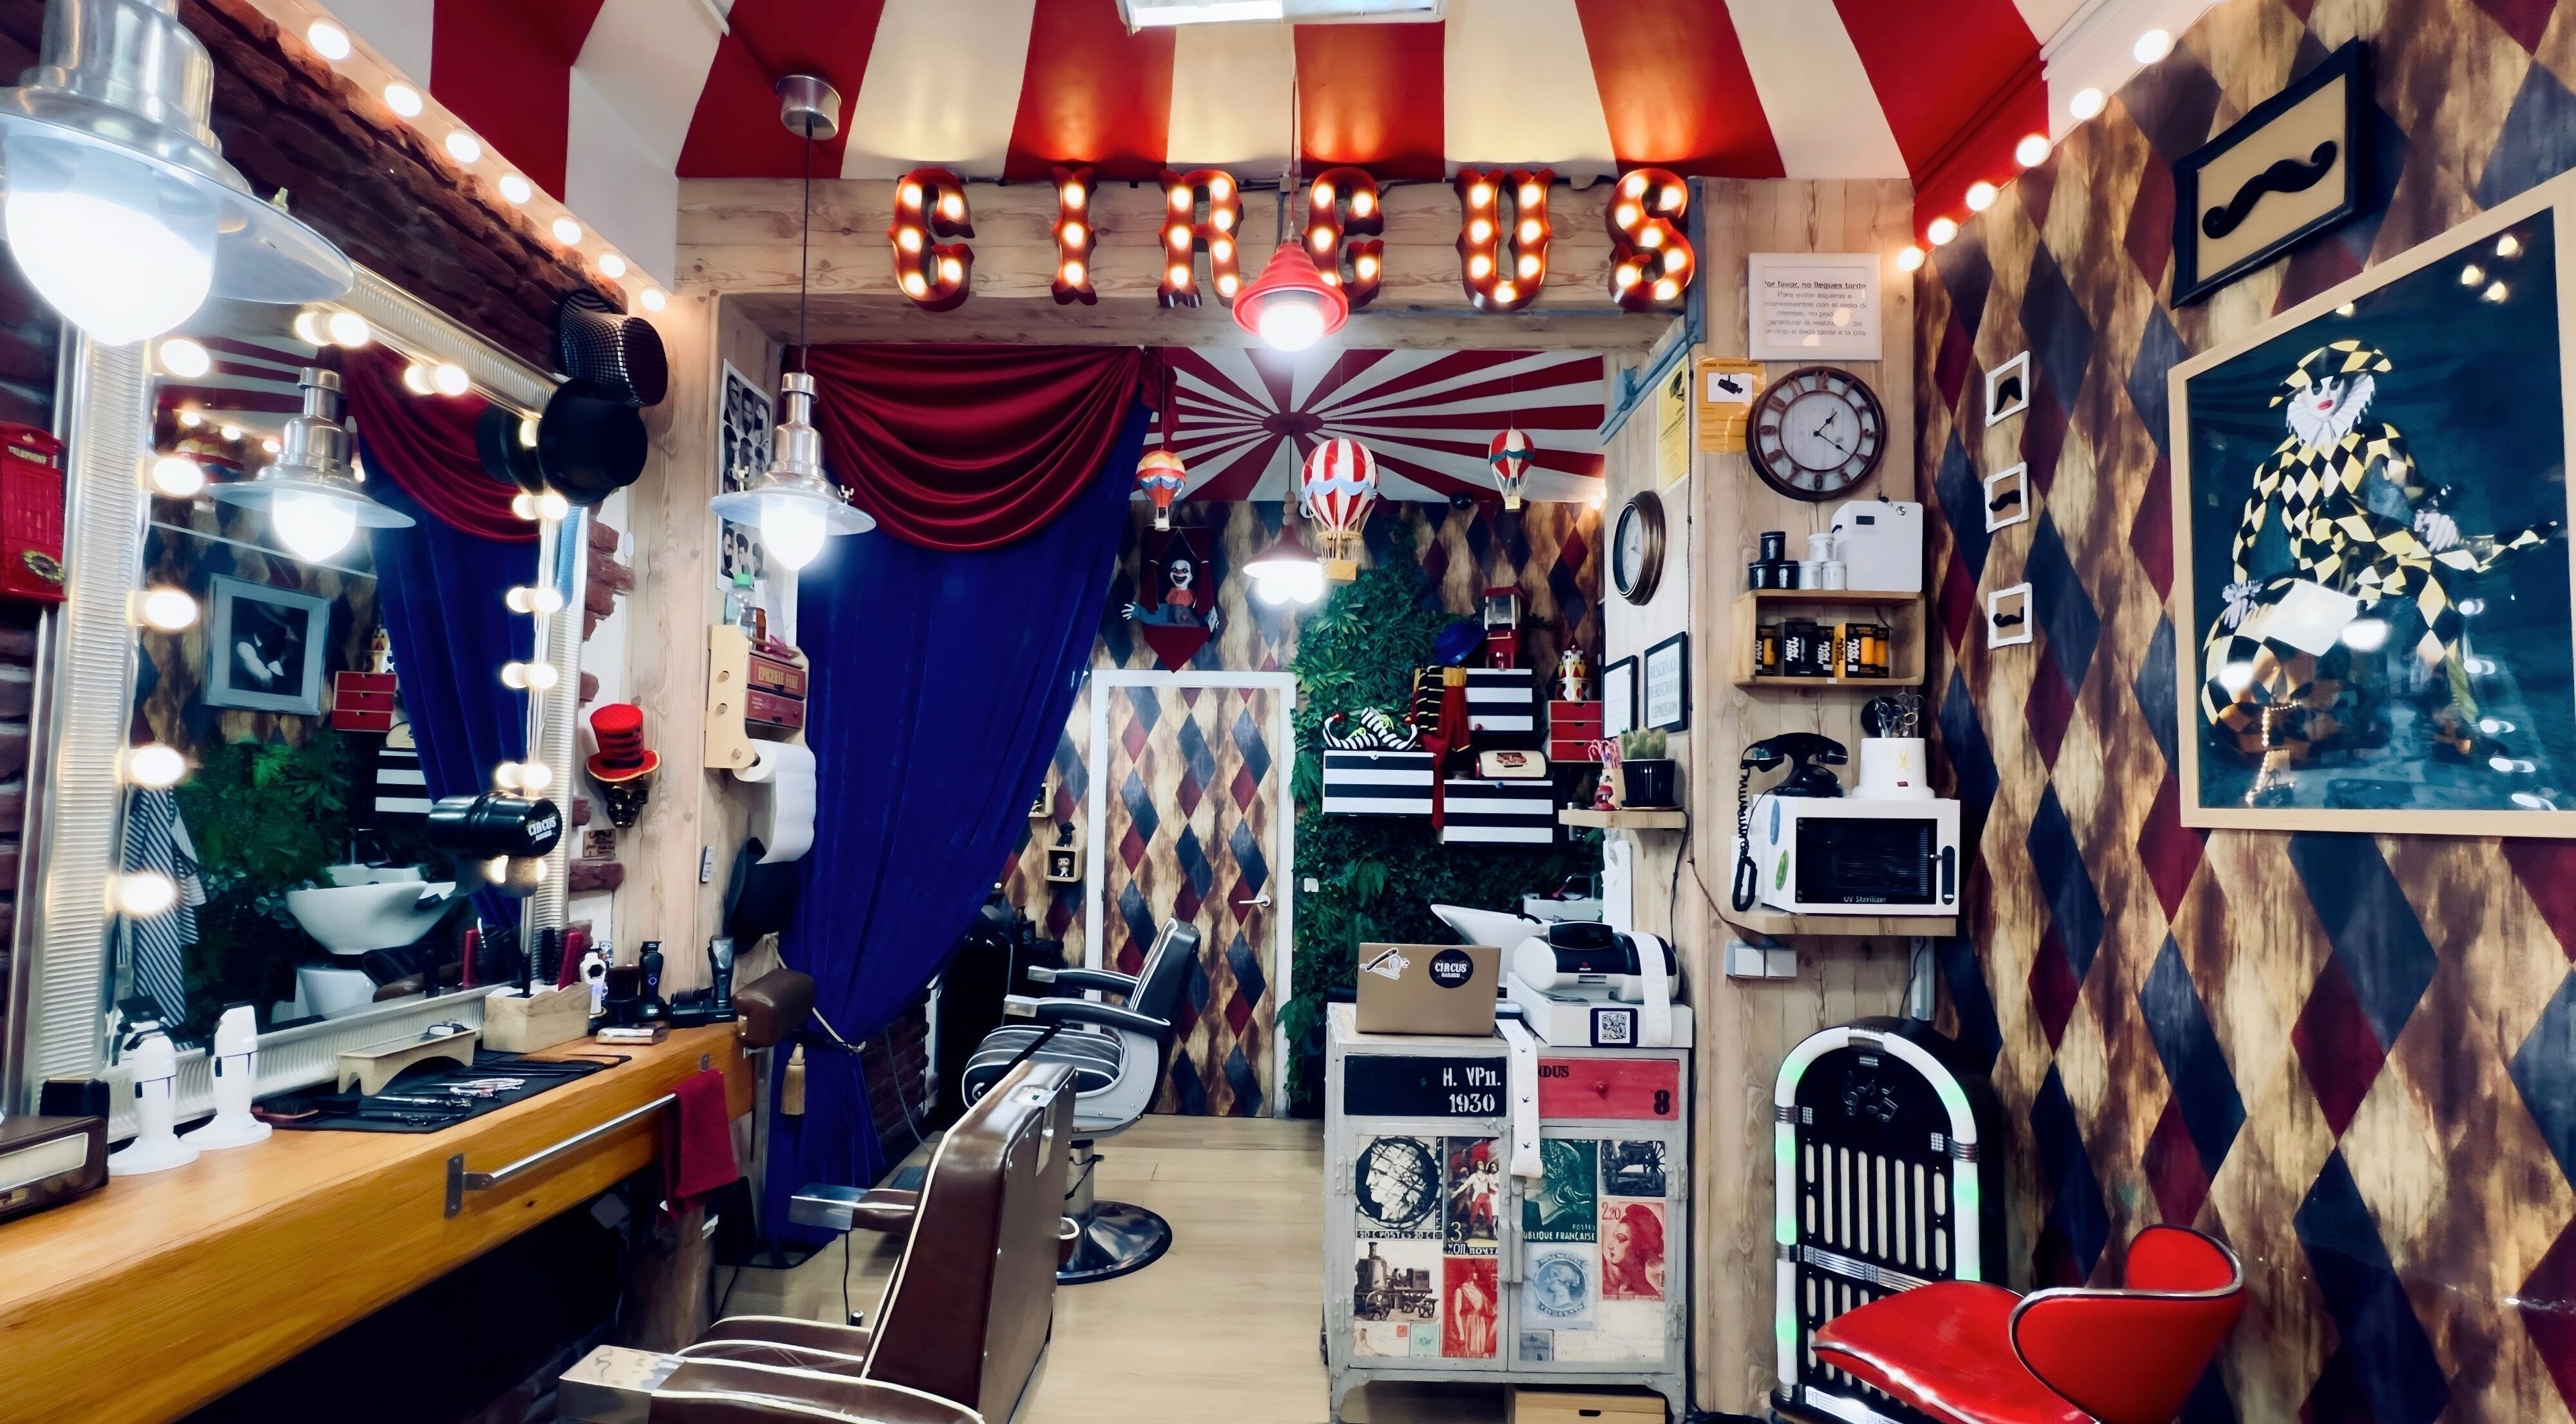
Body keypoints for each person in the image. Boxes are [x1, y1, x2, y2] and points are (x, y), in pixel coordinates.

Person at [1602, 1203, 1665, 1300]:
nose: (1610, 1246)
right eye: (1613, 1238)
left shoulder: (1649, 1295)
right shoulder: (1614, 1282)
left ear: (1638, 1246)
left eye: (1621, 1239)